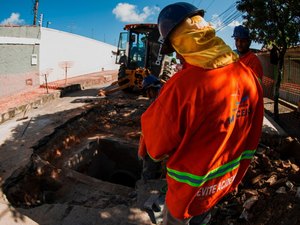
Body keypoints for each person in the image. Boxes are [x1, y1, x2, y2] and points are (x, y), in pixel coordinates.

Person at [138, 2, 264, 225]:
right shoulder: (248, 76)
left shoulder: (182, 86)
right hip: (223, 183)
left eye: (175, 49)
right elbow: (252, 132)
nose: (177, 57)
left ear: (181, 42)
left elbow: (156, 148)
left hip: (186, 195)